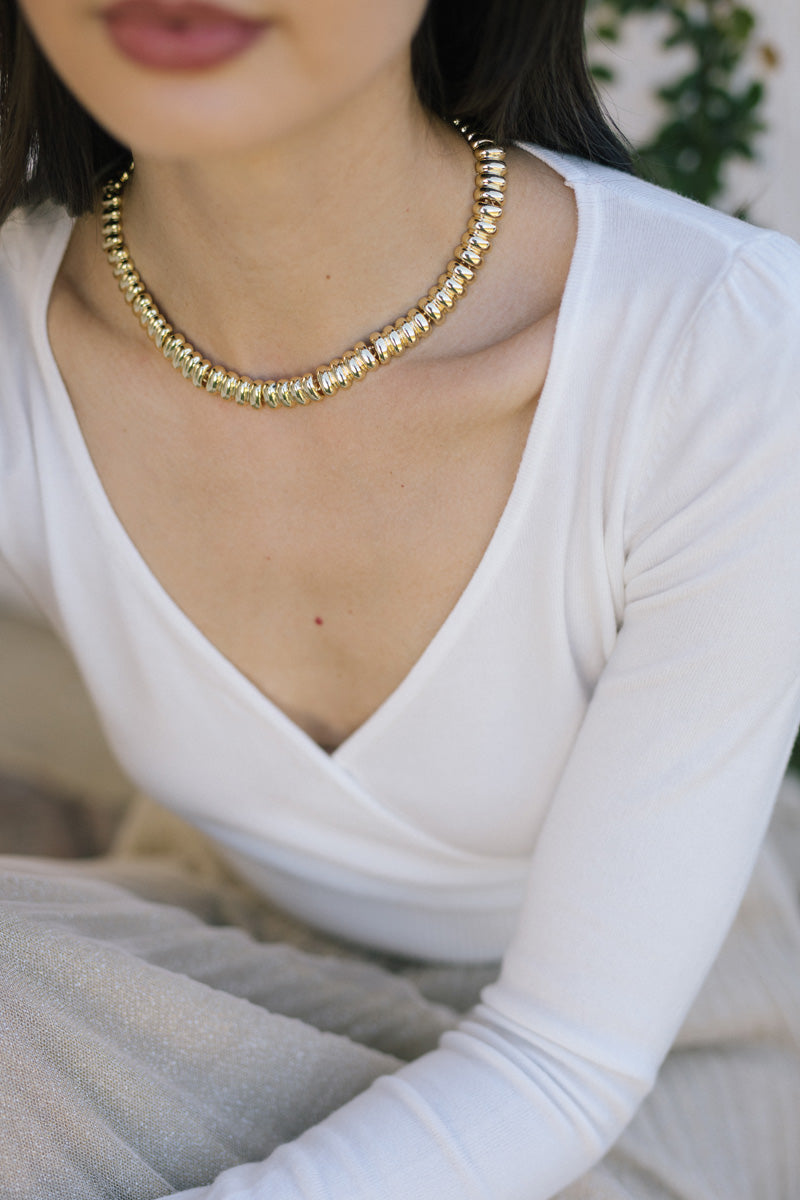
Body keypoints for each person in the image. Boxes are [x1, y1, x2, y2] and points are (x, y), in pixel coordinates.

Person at [1, 0, 799, 1197]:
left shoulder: (717, 349)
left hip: (650, 1044)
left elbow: (563, 1060)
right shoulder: (24, 334)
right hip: (229, 958)